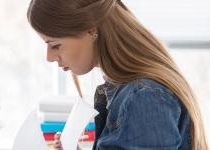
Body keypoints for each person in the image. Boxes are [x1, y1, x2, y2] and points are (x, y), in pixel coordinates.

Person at [26, 0, 209, 149]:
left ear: (91, 29)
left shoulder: (144, 98)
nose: (49, 57)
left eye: (55, 45)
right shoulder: (127, 92)